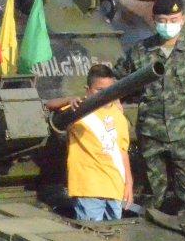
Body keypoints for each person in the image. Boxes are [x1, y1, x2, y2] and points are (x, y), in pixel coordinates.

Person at [115, 0, 185, 215]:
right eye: (163, 20)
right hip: (151, 136)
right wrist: (112, 99)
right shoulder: (140, 51)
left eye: (173, 20)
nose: (168, 25)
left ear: (183, 19)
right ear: (154, 20)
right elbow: (118, 81)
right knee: (152, 199)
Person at [52, 64, 132, 221]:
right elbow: (48, 106)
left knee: (114, 232)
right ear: (87, 90)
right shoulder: (78, 111)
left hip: (114, 187)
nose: (105, 94)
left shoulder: (118, 115)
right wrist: (69, 100)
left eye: (110, 90)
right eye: (99, 90)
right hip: (88, 187)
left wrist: (128, 183)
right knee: (91, 232)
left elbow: (122, 151)